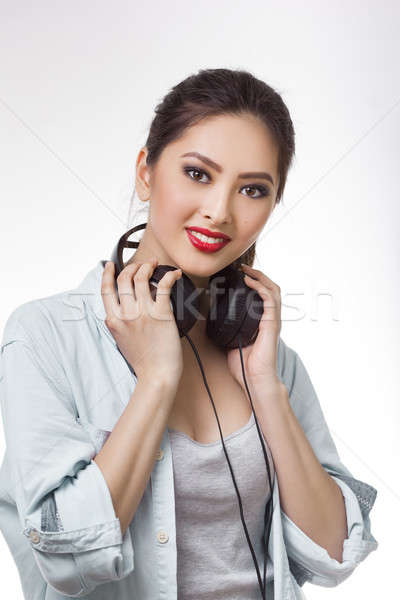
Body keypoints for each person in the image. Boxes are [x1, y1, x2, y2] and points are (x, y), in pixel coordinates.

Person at [0, 68, 378, 600]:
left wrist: (265, 388)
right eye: (198, 174)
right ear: (146, 172)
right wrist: (156, 378)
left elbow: (333, 553)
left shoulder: (265, 354)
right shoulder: (44, 339)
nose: (220, 211)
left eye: (252, 189)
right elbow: (66, 561)